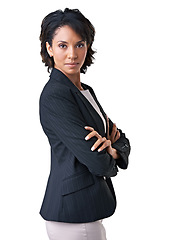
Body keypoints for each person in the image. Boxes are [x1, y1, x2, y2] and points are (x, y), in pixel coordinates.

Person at [39, 8, 130, 240]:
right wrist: (110, 158)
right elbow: (97, 162)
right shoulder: (55, 96)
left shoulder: (85, 91)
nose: (72, 54)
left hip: (85, 211)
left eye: (79, 45)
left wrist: (113, 150)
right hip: (72, 215)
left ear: (87, 47)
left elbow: (119, 138)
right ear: (49, 48)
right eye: (62, 45)